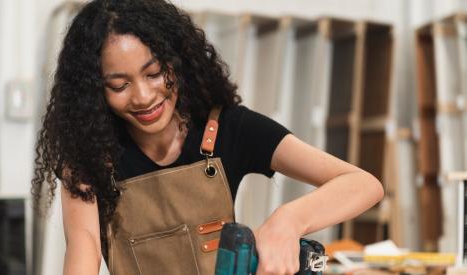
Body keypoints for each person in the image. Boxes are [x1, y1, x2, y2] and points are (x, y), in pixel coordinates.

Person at [31, 0, 384, 274]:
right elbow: (84, 247)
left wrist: (289, 219)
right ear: (95, 92)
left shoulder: (230, 129)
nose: (142, 96)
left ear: (177, 61)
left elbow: (362, 184)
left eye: (154, 73)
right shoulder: (90, 155)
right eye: (119, 85)